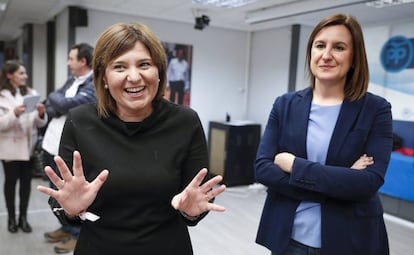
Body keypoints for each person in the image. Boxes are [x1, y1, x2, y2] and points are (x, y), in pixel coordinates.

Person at [37, 22, 226, 255]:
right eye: (119, 67)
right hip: (98, 248)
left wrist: (191, 211)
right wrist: (71, 210)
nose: (134, 77)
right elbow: (63, 203)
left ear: (159, 72)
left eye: (144, 64)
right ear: (103, 77)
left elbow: (195, 200)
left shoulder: (185, 121)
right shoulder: (81, 120)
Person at [254, 13, 392, 255]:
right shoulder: (284, 104)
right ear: (311, 52)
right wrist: (342, 178)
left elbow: (368, 182)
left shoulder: (375, 110)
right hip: (289, 239)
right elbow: (263, 168)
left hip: (350, 240)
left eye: (339, 47)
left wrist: (294, 165)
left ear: (354, 57)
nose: (326, 55)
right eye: (320, 45)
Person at [41, 43, 96, 254]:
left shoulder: (93, 83)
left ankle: (75, 235)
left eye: (71, 58)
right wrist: (60, 102)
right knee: (57, 194)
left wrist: (60, 103)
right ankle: (65, 227)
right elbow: (52, 102)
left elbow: (62, 104)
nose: (68, 62)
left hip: (67, 151)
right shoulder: (72, 80)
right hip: (51, 145)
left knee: (70, 194)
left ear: (83, 61)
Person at [0, 60, 48, 233]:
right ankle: (11, 219)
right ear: (9, 75)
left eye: (25, 73)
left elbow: (37, 121)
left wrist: (41, 113)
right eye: (21, 73)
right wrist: (14, 113)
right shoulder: (1, 95)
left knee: (26, 186)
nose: (25, 76)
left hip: (29, 147)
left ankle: (23, 219)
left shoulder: (31, 93)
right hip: (10, 149)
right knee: (11, 185)